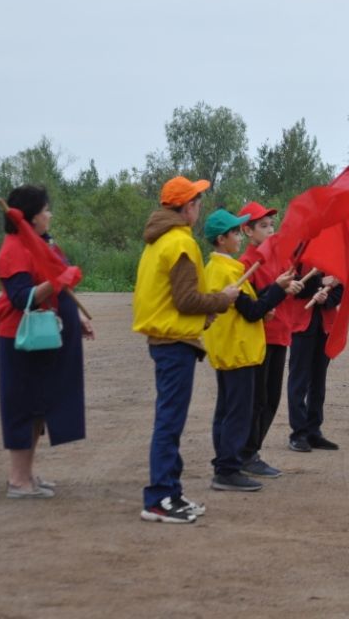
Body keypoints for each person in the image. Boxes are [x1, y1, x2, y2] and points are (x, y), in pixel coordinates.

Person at [133, 176, 239, 524]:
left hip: (170, 339)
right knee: (169, 421)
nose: (199, 207)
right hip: (174, 343)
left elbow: (174, 299)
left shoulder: (159, 240)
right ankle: (160, 497)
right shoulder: (179, 243)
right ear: (186, 207)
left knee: (171, 419)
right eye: (196, 202)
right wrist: (222, 300)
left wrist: (206, 312)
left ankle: (170, 493)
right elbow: (186, 299)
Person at [0, 185, 93, 499]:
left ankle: (27, 475)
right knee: (23, 407)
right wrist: (58, 281)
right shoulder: (13, 250)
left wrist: (76, 316)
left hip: (41, 340)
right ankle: (18, 480)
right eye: (46, 210)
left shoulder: (36, 244)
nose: (50, 215)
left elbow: (52, 289)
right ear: (32, 218)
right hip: (21, 343)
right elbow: (23, 299)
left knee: (38, 408)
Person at [202, 208, 296, 492]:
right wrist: (277, 291)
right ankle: (228, 468)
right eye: (234, 233)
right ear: (221, 239)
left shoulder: (217, 268)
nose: (238, 238)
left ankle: (225, 464)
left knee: (226, 410)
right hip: (238, 351)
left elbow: (250, 307)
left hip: (229, 350)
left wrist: (275, 288)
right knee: (238, 413)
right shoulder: (227, 271)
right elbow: (253, 311)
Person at [238, 201, 299, 478]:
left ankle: (252, 451)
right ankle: (247, 453)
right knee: (257, 399)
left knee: (272, 398)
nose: (269, 230)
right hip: (260, 338)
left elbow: (289, 285)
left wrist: (295, 286)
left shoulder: (280, 257)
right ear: (247, 230)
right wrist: (276, 292)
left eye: (271, 225)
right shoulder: (247, 263)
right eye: (263, 226)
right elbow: (251, 304)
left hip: (281, 333)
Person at [286, 269, 343, 452]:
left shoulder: (334, 256)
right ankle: (299, 432)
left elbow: (340, 286)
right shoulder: (299, 251)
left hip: (325, 324)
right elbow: (292, 284)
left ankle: (314, 430)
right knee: (299, 380)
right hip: (301, 323)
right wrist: (319, 284)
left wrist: (327, 298)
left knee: (318, 381)